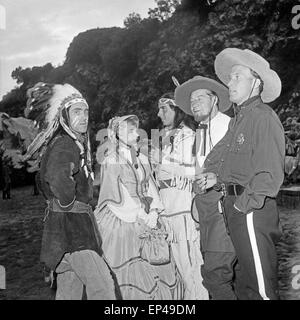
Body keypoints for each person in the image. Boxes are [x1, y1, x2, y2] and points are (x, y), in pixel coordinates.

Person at [196, 48, 285, 300]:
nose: (230, 82)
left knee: (261, 291)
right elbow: (228, 162)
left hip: (250, 211)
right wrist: (217, 179)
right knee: (243, 286)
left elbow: (269, 174)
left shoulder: (263, 117)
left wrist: (241, 207)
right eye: (229, 78)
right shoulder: (238, 120)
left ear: (255, 82)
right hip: (234, 207)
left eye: (237, 76)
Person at [24, 82, 116, 300]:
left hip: (62, 232)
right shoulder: (66, 144)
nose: (83, 117)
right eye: (77, 111)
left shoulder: (67, 143)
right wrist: (69, 203)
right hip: (75, 232)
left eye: (86, 111)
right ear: (64, 116)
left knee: (69, 291)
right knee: (103, 288)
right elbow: (56, 178)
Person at [94, 115, 184, 300]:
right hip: (125, 219)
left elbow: (149, 184)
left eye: (135, 129)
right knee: (133, 272)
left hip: (147, 214)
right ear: (116, 134)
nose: (134, 134)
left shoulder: (141, 157)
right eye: (128, 130)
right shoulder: (111, 160)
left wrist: (155, 211)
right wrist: (140, 215)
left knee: (158, 263)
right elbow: (114, 196)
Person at [175, 76, 237, 300]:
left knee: (215, 274)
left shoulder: (231, 126)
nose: (194, 102)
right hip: (205, 214)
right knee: (225, 274)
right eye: (192, 99)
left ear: (215, 100)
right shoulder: (200, 130)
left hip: (225, 211)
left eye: (200, 97)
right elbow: (198, 171)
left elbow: (241, 168)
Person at [150, 92, 208, 300]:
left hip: (182, 207)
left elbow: (191, 171)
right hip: (168, 207)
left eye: (164, 109)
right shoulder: (167, 136)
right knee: (179, 266)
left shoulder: (187, 134)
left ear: (177, 110)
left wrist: (161, 161)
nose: (159, 113)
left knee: (191, 264)